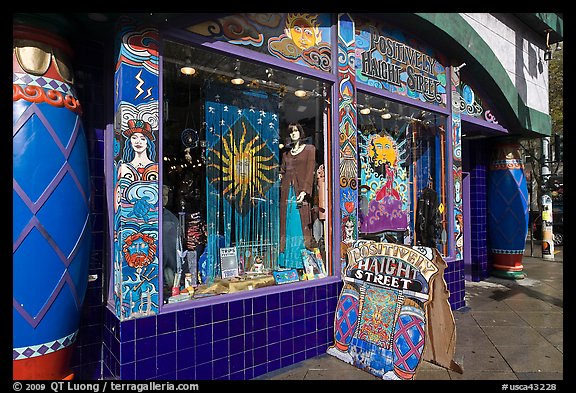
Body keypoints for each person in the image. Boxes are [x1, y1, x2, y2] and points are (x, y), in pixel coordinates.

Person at [279, 123, 317, 268]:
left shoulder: (309, 150)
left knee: (299, 226)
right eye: (291, 132)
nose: (294, 134)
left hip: (300, 194)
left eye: (296, 131)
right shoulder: (286, 154)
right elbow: (283, 171)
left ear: (301, 133)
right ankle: (287, 261)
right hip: (286, 194)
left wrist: (305, 190)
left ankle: (302, 263)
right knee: (287, 226)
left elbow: (310, 171)